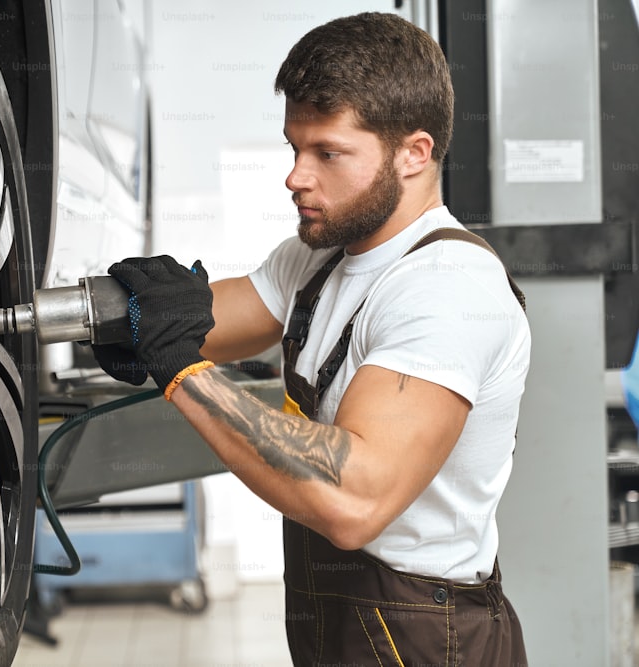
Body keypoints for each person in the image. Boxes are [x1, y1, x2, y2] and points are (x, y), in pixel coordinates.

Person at [94, 12, 530, 666]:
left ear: (414, 153)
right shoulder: (319, 257)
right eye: (294, 147)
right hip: (341, 621)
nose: (296, 176)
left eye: (327, 152)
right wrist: (113, 310)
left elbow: (353, 499)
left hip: (424, 638)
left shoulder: (448, 288)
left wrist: (185, 372)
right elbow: (207, 319)